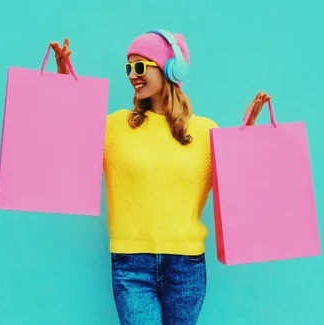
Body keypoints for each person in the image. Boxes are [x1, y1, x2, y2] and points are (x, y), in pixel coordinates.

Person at [50, 30, 271, 325]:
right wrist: (64, 81)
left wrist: (248, 137)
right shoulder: (115, 126)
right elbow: (70, 141)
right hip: (131, 265)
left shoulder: (206, 131)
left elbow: (238, 190)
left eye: (140, 66)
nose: (132, 75)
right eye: (129, 67)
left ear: (171, 69)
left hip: (187, 267)